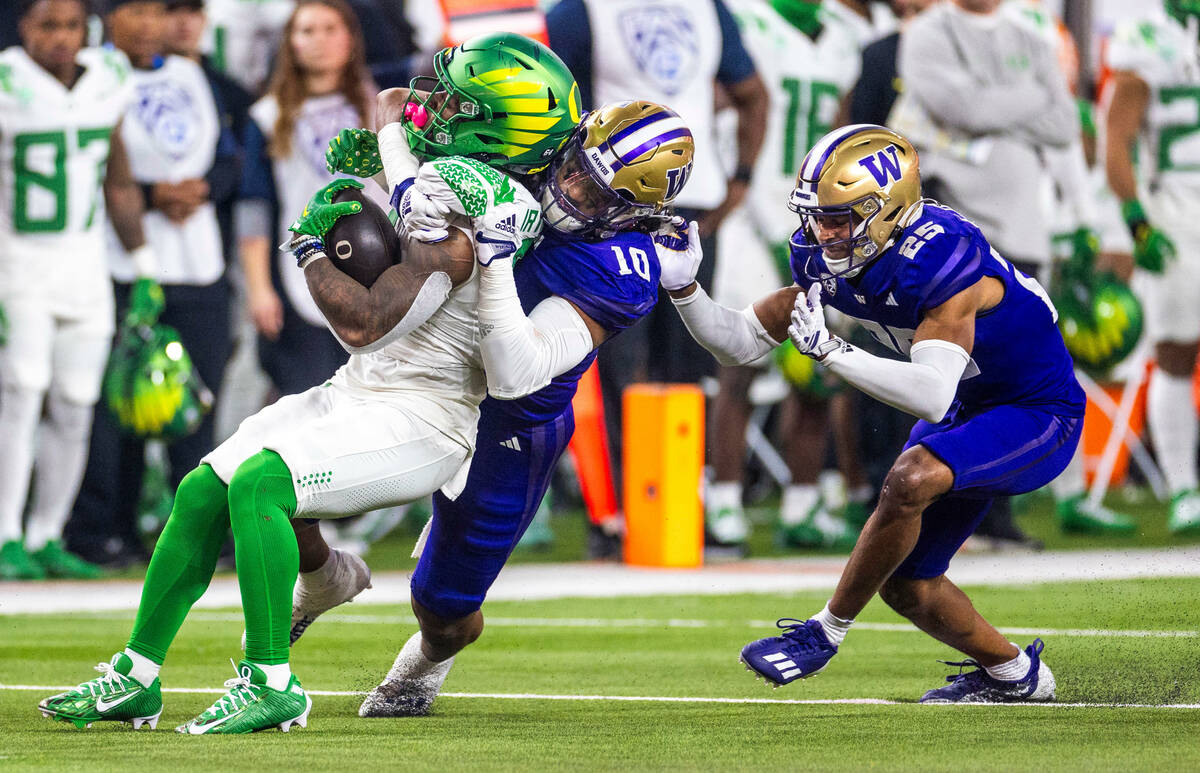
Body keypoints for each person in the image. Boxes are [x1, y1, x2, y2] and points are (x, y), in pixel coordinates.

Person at [37, 31, 579, 734]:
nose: (436, 105)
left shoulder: (490, 199)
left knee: (262, 482)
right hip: (362, 390)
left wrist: (312, 250)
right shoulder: (468, 168)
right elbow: (393, 101)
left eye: (457, 100)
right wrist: (395, 154)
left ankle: (271, 680)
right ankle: (136, 675)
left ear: (497, 126)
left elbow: (370, 322)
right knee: (204, 488)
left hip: (426, 416)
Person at [297, 100, 695, 717]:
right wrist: (396, 146)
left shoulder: (623, 267)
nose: (567, 192)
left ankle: (423, 666)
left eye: (594, 196)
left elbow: (514, 375)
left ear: (634, 214)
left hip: (509, 424)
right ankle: (324, 578)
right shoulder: (530, 148)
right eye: (572, 170)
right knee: (279, 478)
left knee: (444, 609)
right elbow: (395, 112)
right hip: (422, 380)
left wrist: (498, 257)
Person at [666, 124, 1082, 702]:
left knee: (909, 478)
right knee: (908, 585)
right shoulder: (824, 253)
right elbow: (740, 342)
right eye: (817, 216)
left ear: (887, 208)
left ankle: (825, 631)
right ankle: (1016, 675)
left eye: (840, 218)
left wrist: (835, 352)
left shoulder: (939, 256)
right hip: (967, 407)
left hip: (1037, 411)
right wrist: (686, 290)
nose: (823, 232)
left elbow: (932, 393)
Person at [546, 0, 768, 497]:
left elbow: (754, 93)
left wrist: (742, 180)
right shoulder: (581, 10)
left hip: (691, 207)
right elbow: (556, 106)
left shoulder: (707, 7)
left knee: (689, 367)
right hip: (613, 209)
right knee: (617, 364)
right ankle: (622, 505)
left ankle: (683, 502)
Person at [65, 0, 237, 569]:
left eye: (155, 11)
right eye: (132, 11)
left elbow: (231, 158)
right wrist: (146, 190)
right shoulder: (90, 70)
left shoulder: (192, 73)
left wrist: (203, 188)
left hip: (199, 263)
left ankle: (199, 535)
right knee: (120, 412)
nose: (147, 24)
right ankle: (104, 532)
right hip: (119, 265)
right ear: (106, 19)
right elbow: (82, 155)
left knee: (197, 407)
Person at [0, 0, 158, 580]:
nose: (61, 37)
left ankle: (46, 534)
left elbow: (117, 179)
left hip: (84, 266)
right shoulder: (6, 80)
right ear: (25, 28)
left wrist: (143, 265)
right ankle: (5, 535)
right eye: (48, 25)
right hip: (15, 265)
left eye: (70, 25)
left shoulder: (108, 79)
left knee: (75, 403)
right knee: (20, 393)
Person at [707, 0, 864, 550]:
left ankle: (802, 502)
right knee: (742, 363)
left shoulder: (843, 35)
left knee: (819, 363)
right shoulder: (746, 21)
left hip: (820, 224)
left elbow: (844, 148)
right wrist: (763, 218)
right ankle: (722, 499)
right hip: (753, 218)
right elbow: (731, 125)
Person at [237, 0, 382, 398]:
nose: (319, 40)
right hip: (301, 271)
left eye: (330, 28)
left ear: (351, 39)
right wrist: (259, 288)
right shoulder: (267, 116)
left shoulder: (381, 103)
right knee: (310, 398)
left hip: (382, 268)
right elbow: (254, 205)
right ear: (290, 44)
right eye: (307, 30)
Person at [1104, 0, 1200, 534]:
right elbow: (1116, 134)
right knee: (1176, 351)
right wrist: (1136, 220)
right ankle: (1184, 488)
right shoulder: (1149, 34)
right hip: (1178, 209)